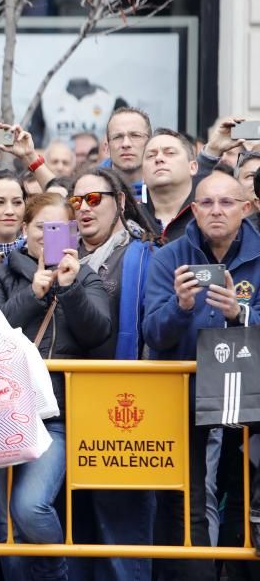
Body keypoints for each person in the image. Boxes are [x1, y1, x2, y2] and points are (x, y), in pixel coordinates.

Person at [0, 193, 111, 581]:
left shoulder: (85, 275)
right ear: (25, 230)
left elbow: (98, 332)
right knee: (7, 528)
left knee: (30, 508)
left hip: (57, 415)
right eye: (41, 228)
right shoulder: (1, 272)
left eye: (60, 228)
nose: (49, 236)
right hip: (2, 413)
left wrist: (69, 288)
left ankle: (54, 570)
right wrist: (31, 295)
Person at [143, 171, 260, 579]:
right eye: (206, 203)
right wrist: (181, 306)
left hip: (248, 391)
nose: (215, 211)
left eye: (227, 202)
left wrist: (239, 313)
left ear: (247, 208)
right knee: (183, 502)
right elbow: (153, 332)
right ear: (193, 209)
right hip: (182, 391)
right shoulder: (169, 257)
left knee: (241, 494)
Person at [68, 168, 158, 581]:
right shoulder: (56, 255)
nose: (84, 209)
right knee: (77, 530)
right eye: (76, 201)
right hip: (65, 408)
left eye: (94, 199)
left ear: (120, 202)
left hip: (122, 410)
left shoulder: (144, 255)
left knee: (121, 530)